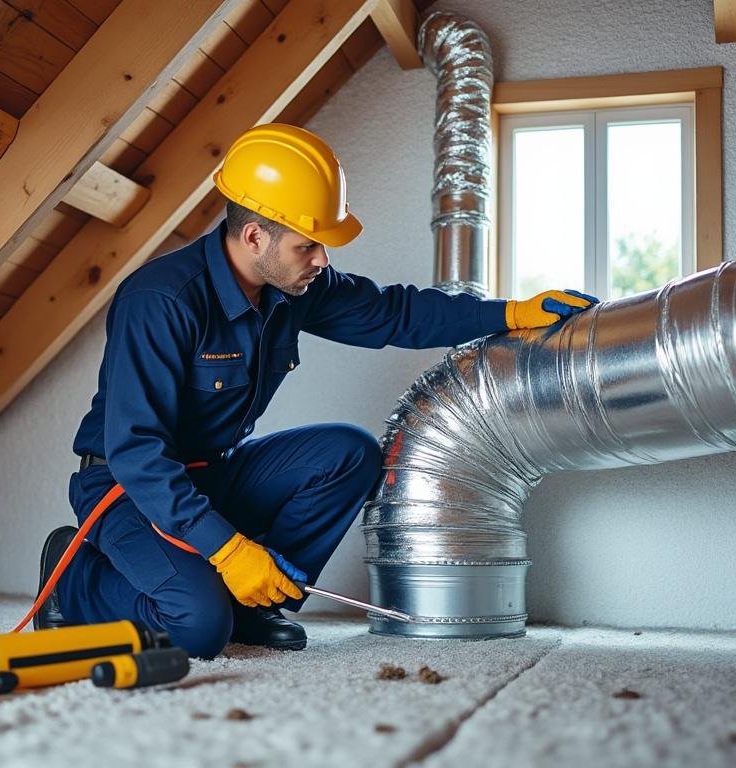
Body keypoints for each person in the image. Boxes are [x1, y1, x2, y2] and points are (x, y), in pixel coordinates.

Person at [38, 123, 596, 659]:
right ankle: (76, 581)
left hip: (210, 474)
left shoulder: (291, 284)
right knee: (199, 628)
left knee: (347, 454)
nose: (321, 260)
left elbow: (393, 314)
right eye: (309, 245)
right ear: (256, 235)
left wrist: (511, 312)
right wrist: (228, 549)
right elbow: (137, 452)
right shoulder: (161, 300)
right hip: (129, 487)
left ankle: (254, 606)